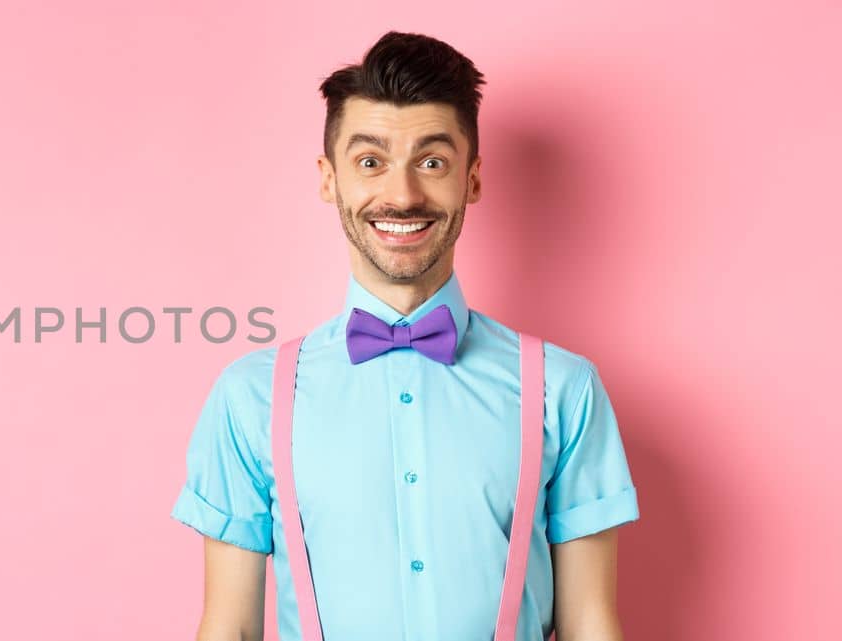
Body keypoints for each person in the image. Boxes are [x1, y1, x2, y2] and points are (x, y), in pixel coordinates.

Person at [170, 31, 639, 641]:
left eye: (432, 161)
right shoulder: (250, 396)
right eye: (370, 162)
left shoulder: (564, 389)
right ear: (329, 179)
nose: (402, 194)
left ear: (471, 180)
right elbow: (228, 628)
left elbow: (590, 625)